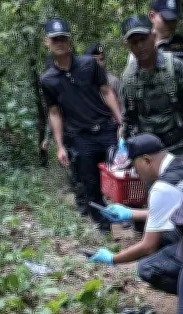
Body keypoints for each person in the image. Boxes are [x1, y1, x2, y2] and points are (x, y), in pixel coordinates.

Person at [85, 133, 183, 294]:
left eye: (134, 166)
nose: (135, 173)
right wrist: (130, 213)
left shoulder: (162, 188)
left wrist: (112, 258)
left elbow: (148, 246)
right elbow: (173, 210)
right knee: (163, 234)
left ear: (147, 160)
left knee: (147, 267)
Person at [40, 17, 123, 233]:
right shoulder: (48, 79)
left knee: (121, 174)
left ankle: (132, 220)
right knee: (90, 183)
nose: (60, 42)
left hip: (106, 129)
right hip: (80, 136)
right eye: (55, 39)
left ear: (69, 40)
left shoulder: (89, 64)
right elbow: (54, 112)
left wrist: (121, 122)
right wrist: (59, 145)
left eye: (63, 38)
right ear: (47, 42)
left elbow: (106, 91)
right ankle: (103, 226)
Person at [119, 14, 183, 159]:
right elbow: (129, 119)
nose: (140, 46)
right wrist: (130, 150)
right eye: (134, 42)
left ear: (153, 36)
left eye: (143, 39)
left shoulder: (175, 67)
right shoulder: (128, 79)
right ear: (127, 46)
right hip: (148, 154)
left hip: (181, 146)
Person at [128, 0, 183, 109]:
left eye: (173, 19)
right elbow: (131, 87)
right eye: (166, 19)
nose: (171, 24)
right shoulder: (138, 48)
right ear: (152, 16)